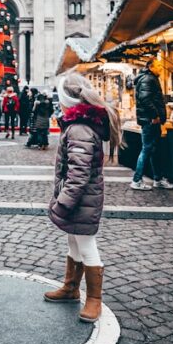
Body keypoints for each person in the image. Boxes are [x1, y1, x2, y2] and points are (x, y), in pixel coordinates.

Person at [44, 71, 122, 322]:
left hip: (81, 201)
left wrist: (63, 203)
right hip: (82, 200)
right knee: (74, 242)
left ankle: (94, 299)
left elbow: (78, 174)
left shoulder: (78, 129)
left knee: (87, 247)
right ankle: (71, 287)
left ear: (66, 100)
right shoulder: (80, 125)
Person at [130, 58, 173, 190]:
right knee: (147, 149)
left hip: (152, 120)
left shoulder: (150, 78)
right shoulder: (148, 79)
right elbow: (145, 99)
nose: (161, 67)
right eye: (158, 65)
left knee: (154, 150)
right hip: (150, 121)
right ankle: (136, 180)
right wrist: (155, 116)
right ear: (150, 67)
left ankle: (158, 178)